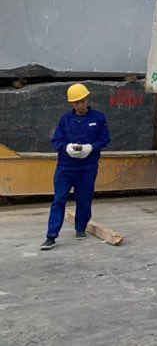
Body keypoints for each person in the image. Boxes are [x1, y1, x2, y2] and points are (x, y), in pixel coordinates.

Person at [40, 83, 111, 250]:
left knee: (84, 199)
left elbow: (104, 139)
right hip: (66, 167)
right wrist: (66, 147)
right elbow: (56, 140)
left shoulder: (98, 118)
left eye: (82, 101)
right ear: (71, 103)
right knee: (59, 200)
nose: (80, 105)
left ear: (87, 99)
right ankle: (51, 236)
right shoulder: (65, 120)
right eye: (76, 102)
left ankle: (80, 228)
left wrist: (90, 147)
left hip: (87, 167)